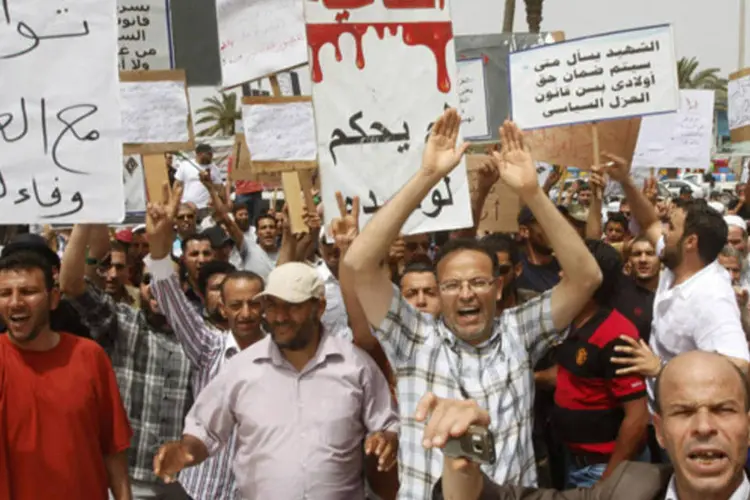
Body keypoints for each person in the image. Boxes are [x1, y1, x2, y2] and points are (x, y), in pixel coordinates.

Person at [342, 112, 602, 497]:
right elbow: (359, 264)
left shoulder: (520, 330)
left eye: (478, 282)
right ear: (439, 291)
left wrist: (533, 192)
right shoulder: (413, 338)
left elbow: (586, 277)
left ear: (498, 288)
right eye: (451, 285)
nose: (466, 294)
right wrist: (427, 176)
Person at [153, 262, 400, 499]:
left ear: (320, 307)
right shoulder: (241, 369)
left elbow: (386, 426)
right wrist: (186, 450)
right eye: (271, 306)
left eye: (292, 306)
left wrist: (386, 440)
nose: (280, 317)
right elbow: (204, 430)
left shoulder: (355, 366)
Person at [426, 350, 750, 500]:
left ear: (748, 426)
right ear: (661, 432)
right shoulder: (630, 488)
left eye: (723, 410)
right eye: (683, 412)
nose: (704, 426)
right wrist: (462, 457)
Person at [145, 184, 268, 500]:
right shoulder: (208, 347)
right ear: (222, 308)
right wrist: (159, 248)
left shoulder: (283, 359)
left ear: (265, 307)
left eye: (254, 303)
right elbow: (170, 296)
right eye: (236, 305)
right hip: (198, 491)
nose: (245, 313)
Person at [60, 224, 194, 500]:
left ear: (182, 286)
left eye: (165, 280)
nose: (156, 288)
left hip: (184, 482)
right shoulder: (121, 323)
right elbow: (71, 285)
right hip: (124, 482)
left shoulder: (200, 339)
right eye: (148, 280)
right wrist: (83, 221)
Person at [605, 153, 749, 408]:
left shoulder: (711, 297)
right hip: (654, 410)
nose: (663, 232)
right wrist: (626, 181)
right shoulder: (677, 261)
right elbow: (648, 220)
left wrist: (660, 368)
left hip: (681, 424)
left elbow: (740, 369)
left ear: (691, 242)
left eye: (670, 227)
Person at [0, 251, 132, 499]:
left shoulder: (89, 357)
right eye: (5, 293)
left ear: (53, 299)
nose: (15, 302)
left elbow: (113, 448)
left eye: (28, 292)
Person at [174, 144, 222, 212]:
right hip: (187, 206)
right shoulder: (185, 165)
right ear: (199, 154)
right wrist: (177, 203)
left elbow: (218, 188)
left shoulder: (215, 169)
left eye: (211, 153)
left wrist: (213, 198)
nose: (212, 155)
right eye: (209, 153)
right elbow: (177, 185)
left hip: (206, 207)